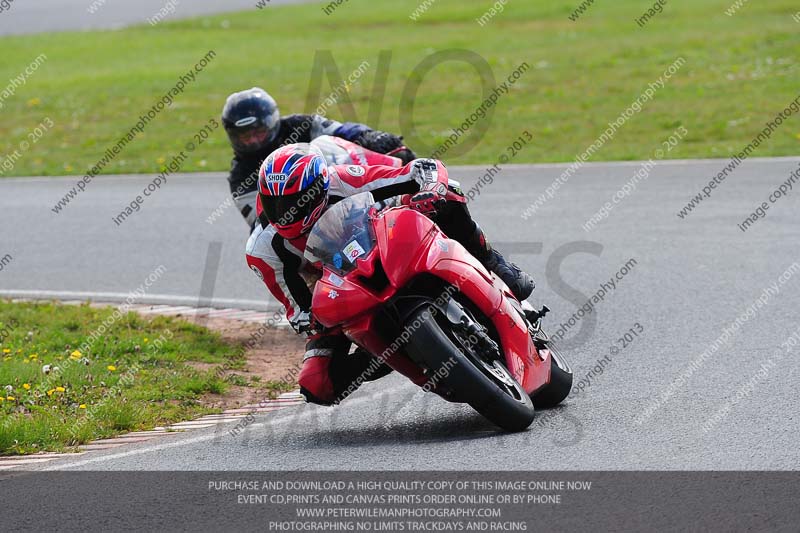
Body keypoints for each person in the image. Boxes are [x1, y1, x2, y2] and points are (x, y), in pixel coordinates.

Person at [245, 144, 534, 406]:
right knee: (316, 384)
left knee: (448, 193)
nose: (285, 214)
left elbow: (421, 169)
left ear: (319, 187)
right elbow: (296, 305)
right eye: (276, 205)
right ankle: (385, 352)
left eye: (295, 202)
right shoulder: (262, 249)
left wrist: (430, 188)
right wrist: (312, 320)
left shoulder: (342, 179)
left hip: (383, 236)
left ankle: (493, 262)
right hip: (336, 285)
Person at [222, 87, 416, 229]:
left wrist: (370, 136)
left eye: (258, 132)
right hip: (300, 223)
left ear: (271, 123)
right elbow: (263, 220)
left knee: (400, 155)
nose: (253, 141)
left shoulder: (300, 125)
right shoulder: (241, 177)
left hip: (338, 190)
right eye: (245, 136)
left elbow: (341, 130)